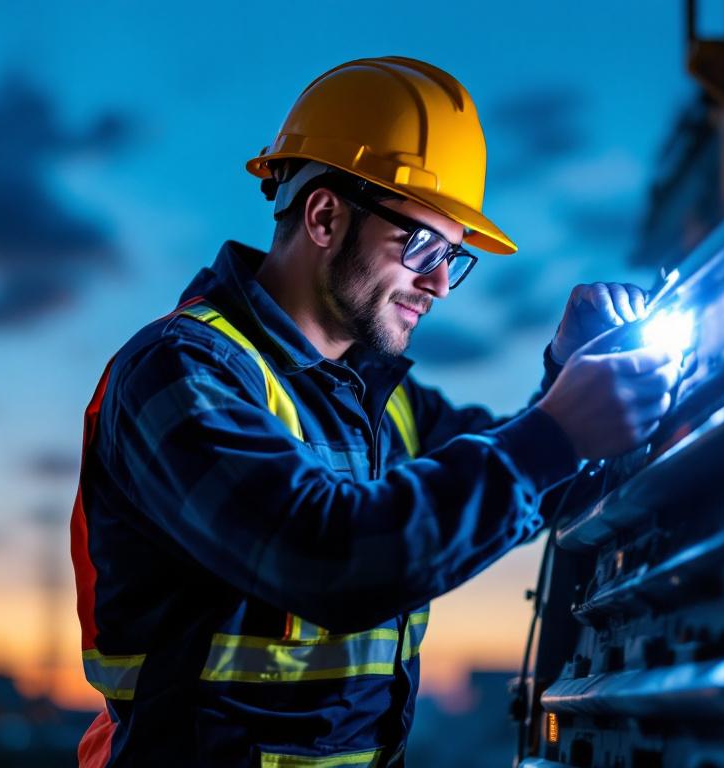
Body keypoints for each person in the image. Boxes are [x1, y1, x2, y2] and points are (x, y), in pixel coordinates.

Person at [69, 56, 679, 767]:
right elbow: (326, 557)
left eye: (455, 255)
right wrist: (558, 428)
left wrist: (566, 383)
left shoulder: (382, 403)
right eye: (422, 243)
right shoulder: (179, 373)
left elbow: (527, 480)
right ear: (325, 215)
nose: (442, 283)